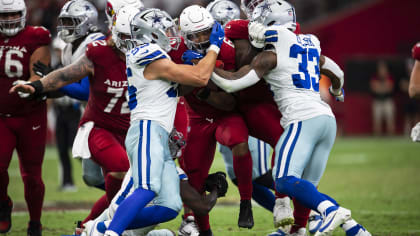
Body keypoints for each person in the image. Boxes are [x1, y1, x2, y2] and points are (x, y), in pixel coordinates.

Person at [211, 0, 370, 235]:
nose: (254, 24)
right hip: (327, 119)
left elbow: (232, 83)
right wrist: (337, 91)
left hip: (301, 120)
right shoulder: (311, 41)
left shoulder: (269, 54)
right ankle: (347, 231)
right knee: (307, 186)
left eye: (260, 20)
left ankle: (331, 211)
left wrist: (204, 68)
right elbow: (336, 71)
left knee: (284, 180)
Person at [69, 7, 224, 236]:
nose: (172, 34)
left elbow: (186, 84)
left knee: (169, 205)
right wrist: (213, 48)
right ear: (151, 34)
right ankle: (110, 233)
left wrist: (197, 64)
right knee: (145, 188)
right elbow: (200, 77)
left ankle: (98, 228)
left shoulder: (156, 55)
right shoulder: (145, 52)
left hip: (159, 136)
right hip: (147, 129)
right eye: (166, 29)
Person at [178, 5, 255, 231]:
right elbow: (174, 90)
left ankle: (246, 202)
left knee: (240, 143)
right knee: (194, 181)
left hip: (224, 114)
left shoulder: (227, 49)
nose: (202, 38)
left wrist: (204, 87)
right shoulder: (177, 49)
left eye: (206, 32)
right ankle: (204, 230)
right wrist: (185, 71)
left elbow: (230, 102)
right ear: (185, 36)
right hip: (196, 118)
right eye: (195, 34)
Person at [0, 0, 51, 235]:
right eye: (5, 15)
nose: (9, 20)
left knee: (31, 175)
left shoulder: (36, 36)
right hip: (2, 116)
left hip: (31, 115)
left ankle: (35, 221)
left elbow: (38, 72)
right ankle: (3, 204)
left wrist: (29, 85)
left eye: (13, 15)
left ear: (23, 14)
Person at [82, 167, 228, 236]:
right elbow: (203, 207)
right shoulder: (171, 171)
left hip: (119, 211)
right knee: (171, 207)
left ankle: (93, 228)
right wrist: (216, 189)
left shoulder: (142, 156)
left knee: (169, 234)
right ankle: (102, 227)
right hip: (125, 223)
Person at [370, 60, 395, 136]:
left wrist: (379, 87)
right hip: (377, 101)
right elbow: (374, 88)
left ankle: (391, 138)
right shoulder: (375, 77)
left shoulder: (389, 77)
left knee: (390, 120)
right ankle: (377, 139)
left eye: (383, 69)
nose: (382, 71)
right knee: (377, 121)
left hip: (388, 101)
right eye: (381, 69)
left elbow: (390, 88)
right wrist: (384, 87)